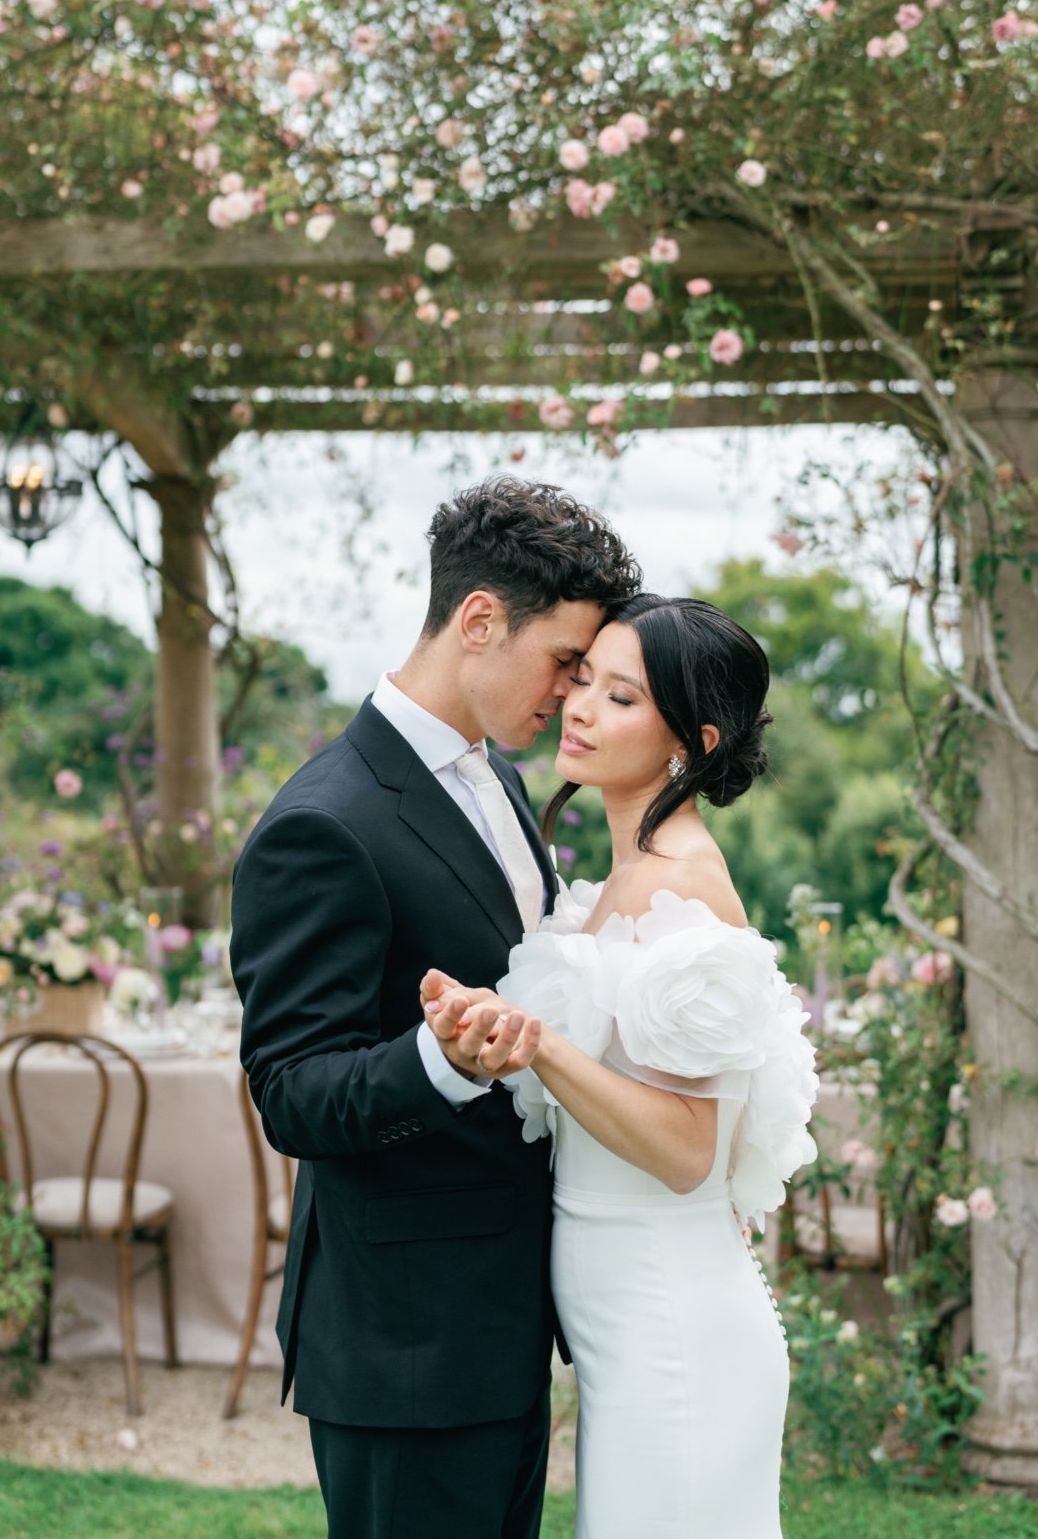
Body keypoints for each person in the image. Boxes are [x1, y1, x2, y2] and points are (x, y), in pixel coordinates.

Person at [230, 478, 641, 1539]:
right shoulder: (323, 824)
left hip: (503, 1323)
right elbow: (292, 1091)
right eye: (564, 660)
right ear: (478, 620)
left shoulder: (498, 779)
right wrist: (444, 1058)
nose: (573, 691)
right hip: (403, 1347)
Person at [422, 594, 819, 1539]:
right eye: (584, 682)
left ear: (695, 739)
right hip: (622, 1329)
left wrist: (540, 1042)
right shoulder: (621, 884)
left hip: (672, 1329)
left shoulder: (681, 886)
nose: (583, 709)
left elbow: (689, 1153)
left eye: (623, 697)